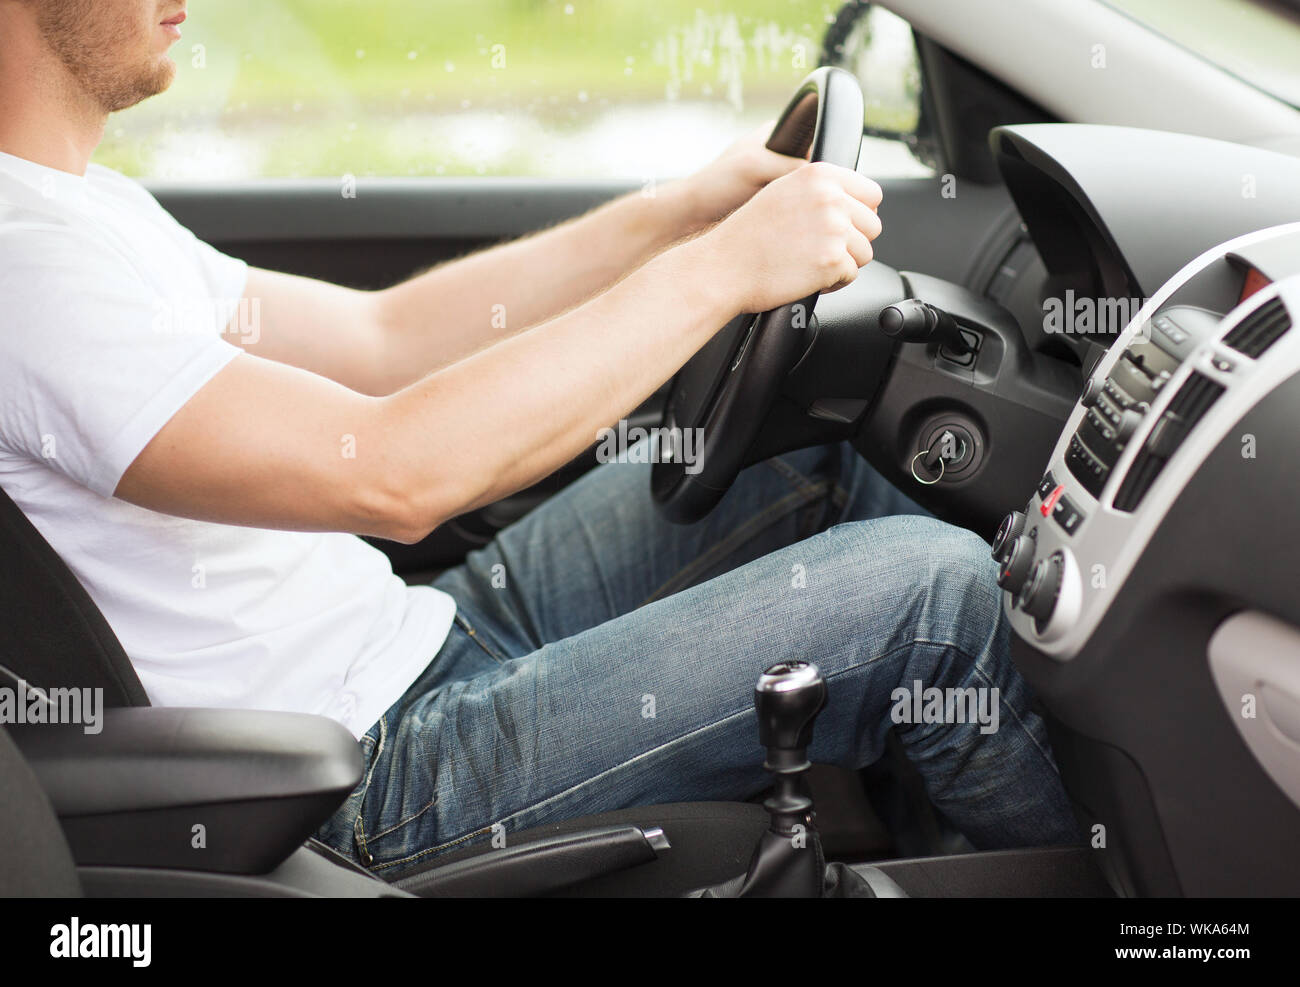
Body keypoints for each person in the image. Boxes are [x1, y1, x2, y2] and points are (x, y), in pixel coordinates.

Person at [0, 0, 1079, 879]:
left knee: (820, 453)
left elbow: (385, 341)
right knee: (933, 598)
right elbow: (391, 474)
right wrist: (718, 272)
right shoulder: (22, 272)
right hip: (353, 778)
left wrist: (679, 214)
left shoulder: (83, 209)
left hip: (421, 638)